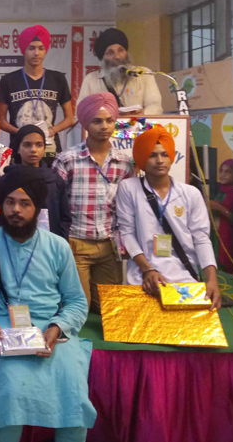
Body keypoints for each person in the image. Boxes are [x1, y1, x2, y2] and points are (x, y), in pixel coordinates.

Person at [0, 165, 96, 441]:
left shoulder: (58, 246)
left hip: (50, 333)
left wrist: (57, 327)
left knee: (73, 394)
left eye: (24, 203)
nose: (15, 210)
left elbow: (77, 301)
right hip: (2, 331)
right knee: (11, 392)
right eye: (9, 202)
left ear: (37, 207)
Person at [116, 126, 221, 309]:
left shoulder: (190, 193)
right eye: (152, 155)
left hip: (185, 276)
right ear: (142, 158)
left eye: (164, 154)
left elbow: (201, 238)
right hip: (142, 278)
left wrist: (212, 280)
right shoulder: (129, 188)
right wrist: (148, 269)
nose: (160, 161)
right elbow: (127, 233)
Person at [53, 93, 133, 311]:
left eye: (109, 121)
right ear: (85, 123)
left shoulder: (125, 163)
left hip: (110, 246)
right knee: (80, 308)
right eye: (97, 121)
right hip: (76, 243)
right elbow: (55, 206)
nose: (104, 127)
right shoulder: (67, 159)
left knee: (110, 310)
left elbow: (129, 207)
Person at [0, 25, 74, 159]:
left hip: (50, 150)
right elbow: (1, 120)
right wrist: (20, 132)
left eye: (41, 48)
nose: (36, 53)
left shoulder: (58, 79)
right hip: (19, 150)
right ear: (23, 50)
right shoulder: (8, 80)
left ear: (46, 50)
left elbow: (70, 119)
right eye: (31, 48)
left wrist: (52, 130)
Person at [78, 28, 163, 115]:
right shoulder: (91, 80)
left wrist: (142, 114)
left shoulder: (143, 74)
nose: (117, 56)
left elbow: (155, 106)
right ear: (103, 58)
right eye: (110, 53)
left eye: (120, 50)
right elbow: (80, 114)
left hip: (137, 122)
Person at [11, 124, 72, 239]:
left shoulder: (54, 179)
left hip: (50, 241)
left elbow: (65, 216)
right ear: (18, 148)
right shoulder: (9, 180)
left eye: (39, 145)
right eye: (27, 145)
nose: (33, 150)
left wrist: (60, 241)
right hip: (15, 241)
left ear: (44, 148)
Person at [210, 159, 233, 271]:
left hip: (231, 237)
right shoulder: (218, 189)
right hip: (215, 234)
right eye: (221, 171)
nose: (223, 174)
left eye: (227, 171)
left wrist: (220, 208)